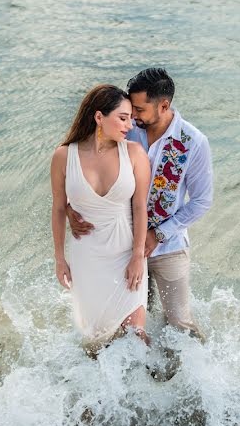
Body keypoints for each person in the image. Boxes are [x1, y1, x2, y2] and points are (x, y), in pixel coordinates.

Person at [68, 68, 213, 341]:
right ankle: (131, 378)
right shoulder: (125, 131)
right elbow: (83, 164)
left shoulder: (193, 142)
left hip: (168, 246)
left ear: (164, 105)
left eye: (139, 109)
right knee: (121, 324)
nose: (132, 116)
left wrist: (158, 233)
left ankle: (195, 379)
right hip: (121, 245)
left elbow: (202, 201)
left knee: (180, 324)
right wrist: (70, 208)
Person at [50, 84, 153, 354]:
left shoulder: (134, 154)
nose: (130, 125)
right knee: (96, 341)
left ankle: (156, 385)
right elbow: (59, 207)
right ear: (99, 117)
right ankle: (101, 395)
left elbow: (141, 207)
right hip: (87, 255)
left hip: (125, 251)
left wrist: (137, 256)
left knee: (135, 334)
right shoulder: (63, 156)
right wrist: (60, 258)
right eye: (123, 118)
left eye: (131, 118)